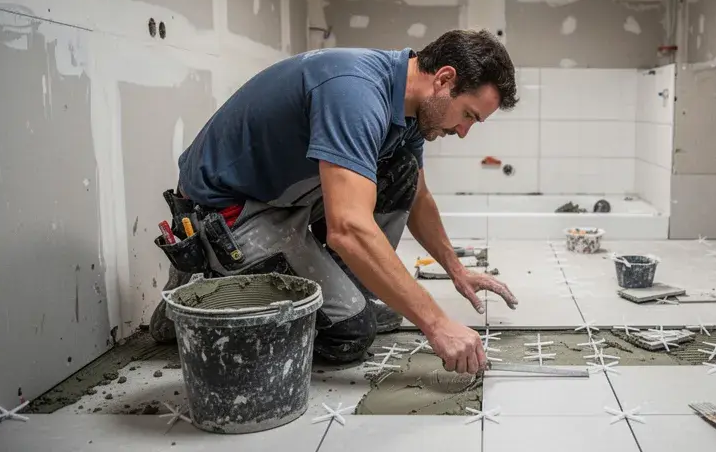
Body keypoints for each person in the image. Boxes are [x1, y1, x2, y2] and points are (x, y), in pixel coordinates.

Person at [150, 29, 520, 375]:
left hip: (282, 199)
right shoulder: (356, 93)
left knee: (402, 170)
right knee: (351, 334)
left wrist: (456, 270)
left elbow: (418, 196)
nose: (463, 132)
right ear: (443, 79)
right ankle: (202, 294)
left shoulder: (410, 111)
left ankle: (345, 295)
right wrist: (437, 324)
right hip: (229, 213)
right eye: (468, 115)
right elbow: (348, 228)